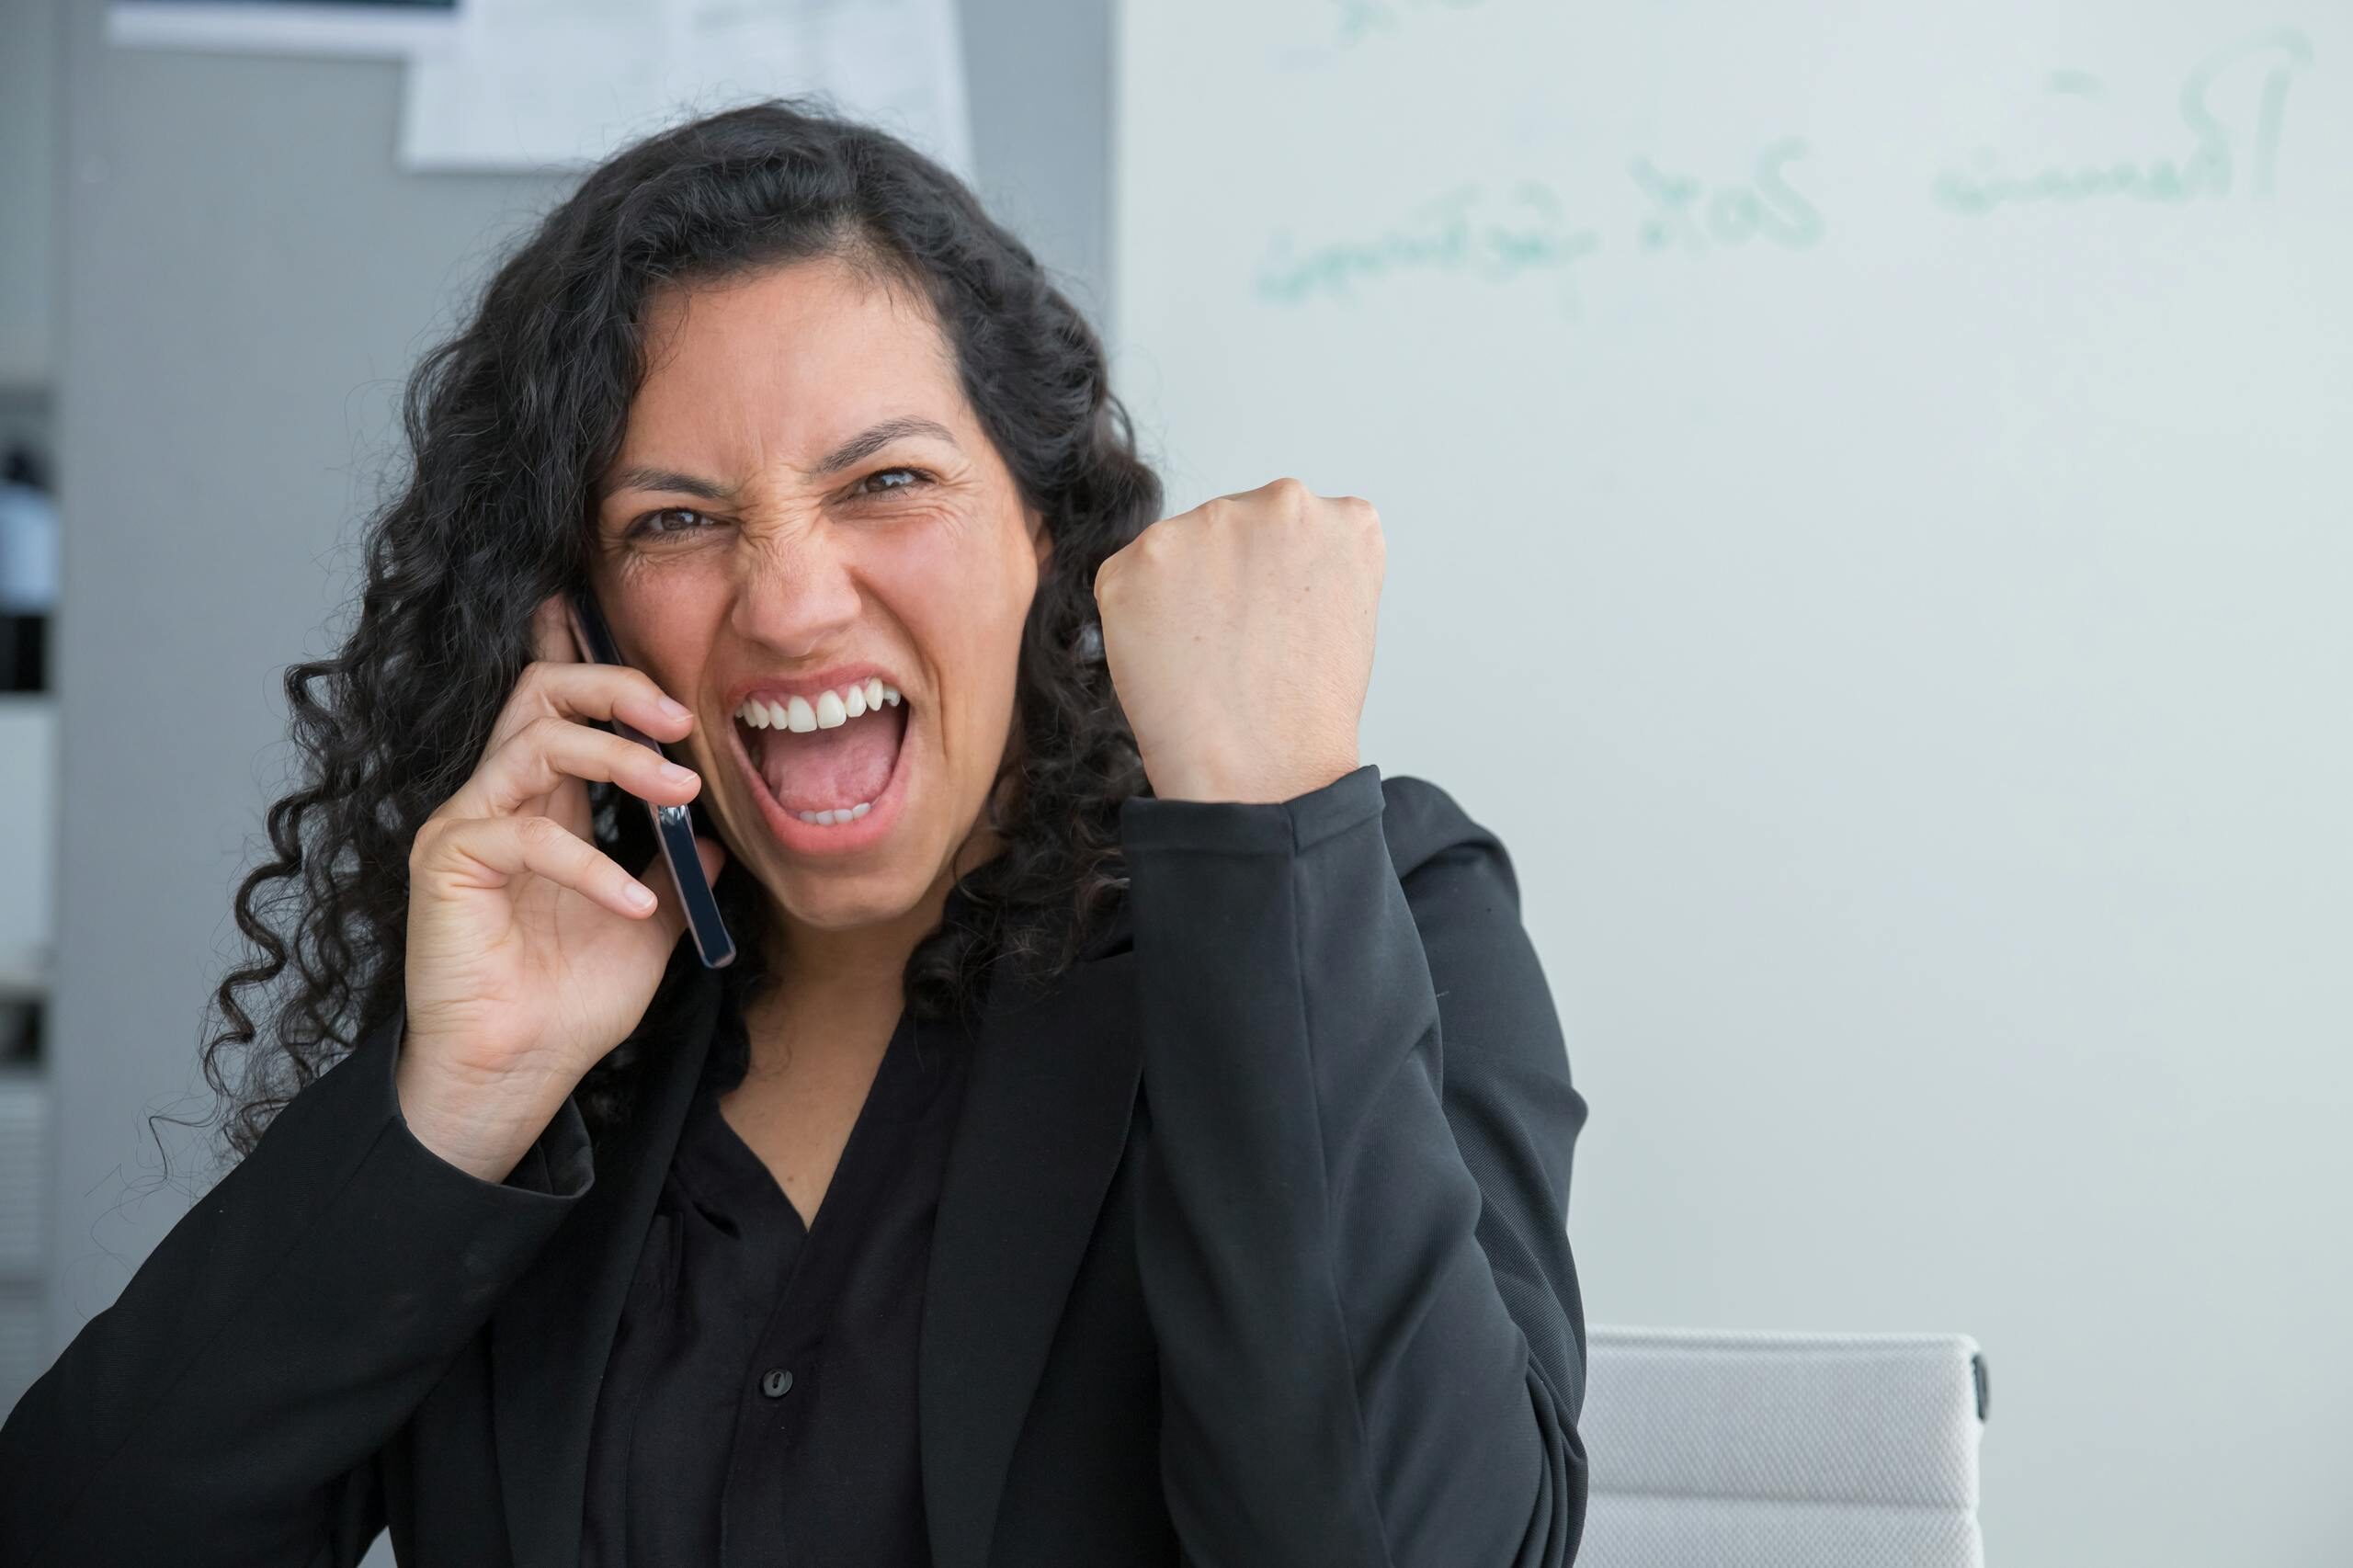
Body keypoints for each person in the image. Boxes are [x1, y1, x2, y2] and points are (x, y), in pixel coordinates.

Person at [0, 97, 1589, 1567]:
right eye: (676, 521)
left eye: (887, 480)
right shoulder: (553, 1002)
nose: (790, 598)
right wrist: (456, 1105)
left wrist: (1266, 829)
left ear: (1049, 526)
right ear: (587, 613)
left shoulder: (1367, 904)